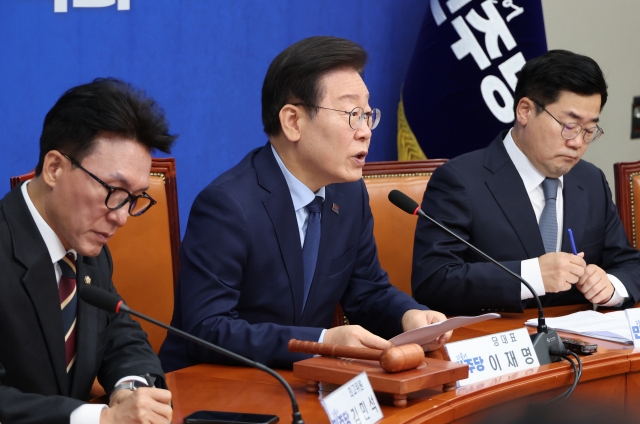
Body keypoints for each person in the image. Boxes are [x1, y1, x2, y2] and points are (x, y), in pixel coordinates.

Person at [159, 36, 451, 371]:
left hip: (297, 382)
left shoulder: (348, 194)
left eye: (368, 114)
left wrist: (409, 316)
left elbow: (367, 291)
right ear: (293, 122)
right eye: (352, 114)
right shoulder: (227, 206)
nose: (366, 131)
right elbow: (207, 329)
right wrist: (321, 342)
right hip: (211, 389)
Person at [0, 78, 178, 424]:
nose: (122, 217)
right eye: (114, 190)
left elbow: (121, 338)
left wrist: (130, 389)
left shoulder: (88, 251)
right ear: (54, 168)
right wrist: (101, 420)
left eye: (134, 197)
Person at [412, 50, 640, 315]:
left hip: (583, 344)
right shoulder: (460, 180)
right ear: (525, 111)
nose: (578, 142)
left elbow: (629, 264)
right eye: (569, 126)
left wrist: (610, 287)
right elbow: (433, 281)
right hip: (496, 339)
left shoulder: (590, 180)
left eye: (589, 131)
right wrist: (533, 275)